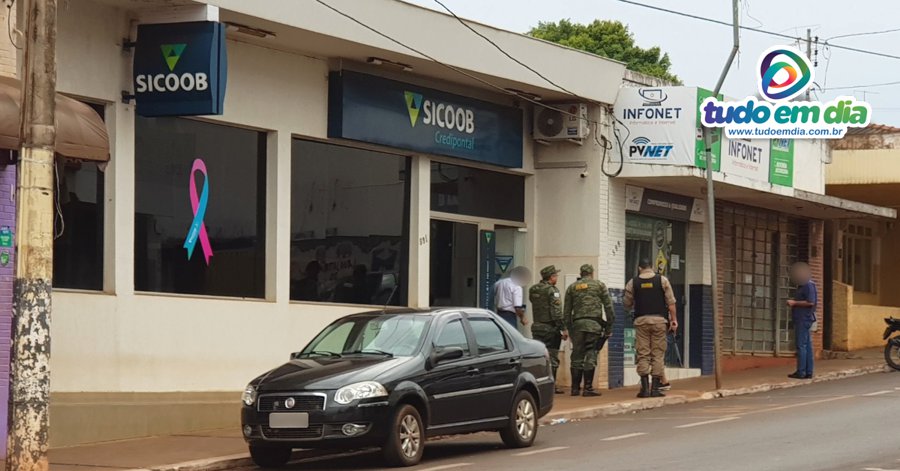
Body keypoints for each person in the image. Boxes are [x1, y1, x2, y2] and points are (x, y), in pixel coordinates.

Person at [623, 258, 677, 398]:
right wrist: (674, 320)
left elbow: (627, 303)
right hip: (659, 321)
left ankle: (645, 388)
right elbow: (671, 303)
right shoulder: (662, 280)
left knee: (643, 353)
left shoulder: (633, 282)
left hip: (641, 322)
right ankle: (655, 388)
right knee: (658, 354)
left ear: (639, 268)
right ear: (652, 267)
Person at [564, 264, 615, 397]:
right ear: (592, 273)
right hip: (594, 326)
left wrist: (569, 329)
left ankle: (575, 389)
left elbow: (566, 311)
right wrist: (609, 327)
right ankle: (587, 388)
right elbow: (609, 307)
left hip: (578, 326)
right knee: (591, 353)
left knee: (577, 355)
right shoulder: (599, 285)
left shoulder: (572, 287)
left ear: (581, 274)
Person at [529, 265, 567, 394]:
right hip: (550, 328)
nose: (557, 277)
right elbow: (556, 312)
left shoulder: (533, 289)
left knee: (540, 356)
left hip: (537, 327)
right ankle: (552, 385)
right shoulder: (552, 291)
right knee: (552, 357)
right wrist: (563, 328)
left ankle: (539, 383)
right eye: (555, 275)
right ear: (551, 277)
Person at [788, 262, 817, 379]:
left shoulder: (808, 285)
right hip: (803, 318)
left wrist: (794, 303)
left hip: (803, 318)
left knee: (801, 345)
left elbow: (811, 301)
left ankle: (802, 371)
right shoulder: (804, 285)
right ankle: (807, 371)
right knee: (807, 345)